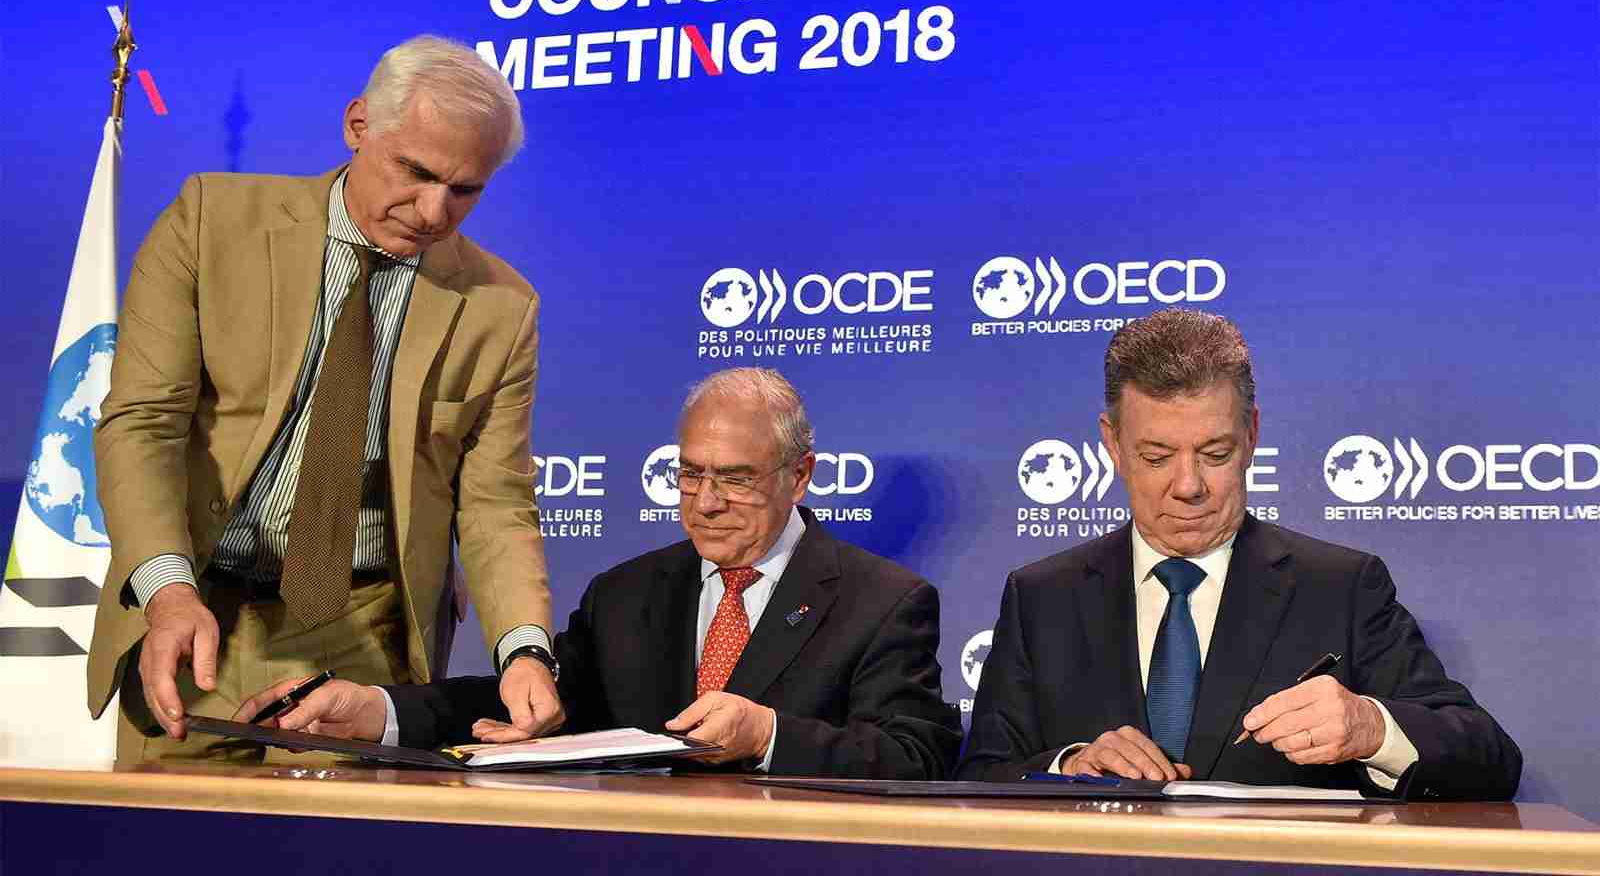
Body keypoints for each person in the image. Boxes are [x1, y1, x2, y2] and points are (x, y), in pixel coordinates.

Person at [88, 35, 563, 761]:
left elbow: (496, 501)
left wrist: (524, 651)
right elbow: (143, 423)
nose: (433, 210)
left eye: (465, 190)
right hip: (192, 607)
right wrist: (167, 591)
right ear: (358, 124)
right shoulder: (211, 221)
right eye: (416, 172)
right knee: (168, 823)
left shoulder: (502, 306)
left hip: (357, 634)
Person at [238, 368, 963, 779]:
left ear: (799, 476)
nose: (706, 503)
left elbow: (916, 756)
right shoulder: (627, 593)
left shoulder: (882, 601)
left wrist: (768, 734)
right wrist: (378, 712)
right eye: (690, 474)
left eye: (736, 479)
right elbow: (534, 706)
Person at [957, 309, 1521, 799]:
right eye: (1156, 457)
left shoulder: (1341, 587)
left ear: (1250, 434)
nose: (1188, 485)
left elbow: (1489, 758)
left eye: (1215, 453)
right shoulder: (1042, 597)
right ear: (1113, 444)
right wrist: (1069, 767)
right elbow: (979, 779)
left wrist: (1370, 727)